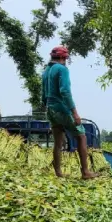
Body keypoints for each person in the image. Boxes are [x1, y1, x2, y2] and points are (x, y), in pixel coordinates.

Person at [41, 45, 97, 179]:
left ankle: (58, 172)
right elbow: (65, 91)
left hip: (50, 109)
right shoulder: (62, 69)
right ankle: (85, 172)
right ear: (62, 57)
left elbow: (43, 95)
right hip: (62, 109)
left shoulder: (46, 72)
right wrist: (74, 113)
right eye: (65, 58)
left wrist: (48, 109)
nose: (65, 60)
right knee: (81, 136)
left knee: (58, 142)